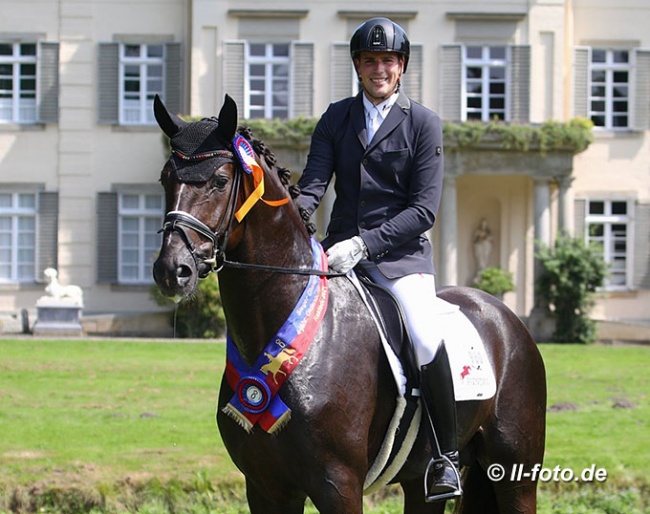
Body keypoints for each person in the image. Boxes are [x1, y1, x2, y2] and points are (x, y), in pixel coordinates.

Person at [297, 17, 462, 502]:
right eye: (369, 60)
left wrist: (366, 244)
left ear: (401, 66)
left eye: (387, 60)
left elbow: (423, 210)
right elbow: (311, 187)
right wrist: (289, 222)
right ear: (357, 66)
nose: (378, 68)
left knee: (426, 335)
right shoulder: (336, 117)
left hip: (399, 261)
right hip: (337, 254)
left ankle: (445, 458)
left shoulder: (423, 122)